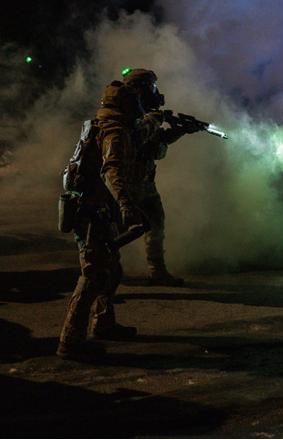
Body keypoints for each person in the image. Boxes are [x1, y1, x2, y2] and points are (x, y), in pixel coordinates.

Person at [57, 70, 196, 360]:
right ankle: (70, 342)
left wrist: (177, 130)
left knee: (111, 270)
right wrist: (125, 204)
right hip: (92, 209)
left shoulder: (118, 125)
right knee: (93, 274)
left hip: (99, 207)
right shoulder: (115, 131)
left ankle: (103, 323)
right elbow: (112, 170)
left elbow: (148, 147)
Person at [121, 68, 189, 286]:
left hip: (145, 182)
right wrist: (156, 118)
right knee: (118, 228)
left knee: (155, 222)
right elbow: (137, 138)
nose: (156, 92)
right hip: (124, 184)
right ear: (140, 89)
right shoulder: (124, 113)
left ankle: (157, 270)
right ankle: (104, 265)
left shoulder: (144, 113)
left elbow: (157, 141)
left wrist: (181, 131)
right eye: (152, 87)